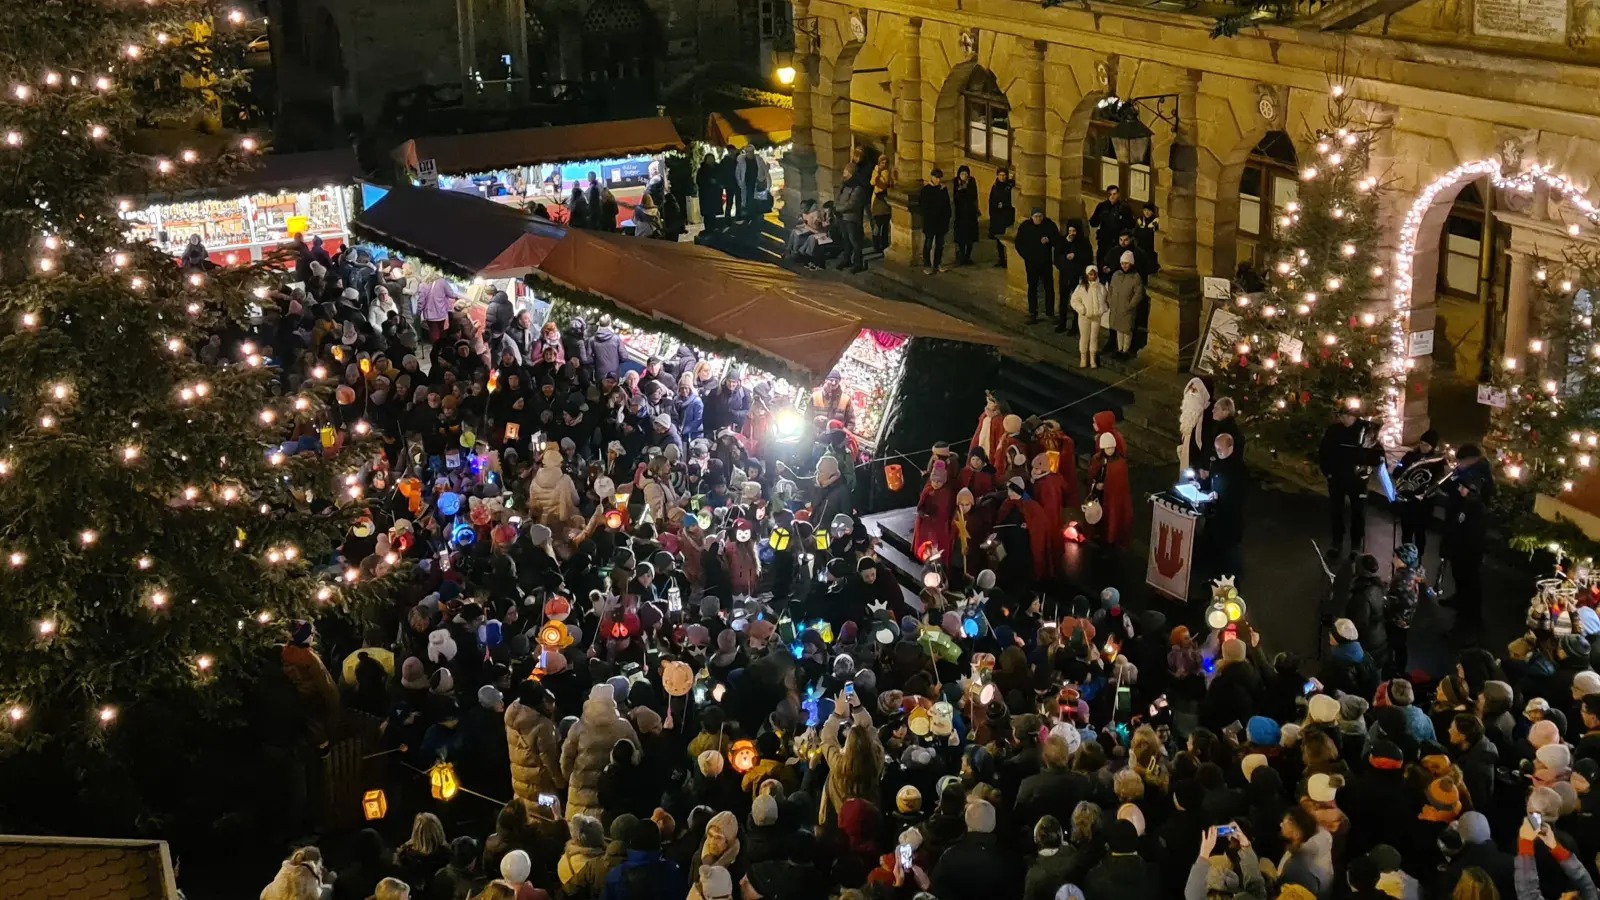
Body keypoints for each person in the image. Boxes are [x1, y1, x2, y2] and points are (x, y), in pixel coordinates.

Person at [1443, 442, 1494, 633]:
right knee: (1458, 570)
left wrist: (1468, 496)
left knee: (1469, 576)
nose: (1458, 464)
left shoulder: (1482, 476)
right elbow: (1451, 490)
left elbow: (1483, 503)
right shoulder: (1465, 473)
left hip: (1471, 536)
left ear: (1472, 460)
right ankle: (1459, 599)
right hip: (1459, 530)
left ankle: (1470, 616)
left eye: (1460, 462)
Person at [1318, 410, 1380, 562]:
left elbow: (1376, 454)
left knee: (1358, 513)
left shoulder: (1365, 430)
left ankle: (1356, 545)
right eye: (1342, 416)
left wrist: (1368, 468)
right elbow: (1324, 452)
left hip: (1357, 480)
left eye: (1347, 416)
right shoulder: (1334, 431)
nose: (1343, 419)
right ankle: (1336, 542)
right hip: (1337, 478)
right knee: (1336, 511)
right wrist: (1328, 472)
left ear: (1354, 417)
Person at [1200, 432, 1246, 579]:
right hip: (1216, 514)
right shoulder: (1217, 462)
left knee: (1229, 551)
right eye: (1216, 449)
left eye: (1221, 449)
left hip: (1229, 518)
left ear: (1230, 447)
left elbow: (1239, 496)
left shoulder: (1239, 470)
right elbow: (1212, 480)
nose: (1218, 452)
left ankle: (1231, 578)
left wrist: (1219, 497)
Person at [1013, 208, 1061, 325]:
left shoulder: (1049, 225)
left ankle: (1049, 312)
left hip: (1045, 261)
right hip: (1031, 262)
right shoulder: (1026, 227)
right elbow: (1019, 243)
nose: (1038, 219)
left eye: (1040, 217)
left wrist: (1049, 240)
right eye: (1036, 217)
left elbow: (1058, 239)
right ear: (1032, 217)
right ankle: (1032, 313)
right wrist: (1026, 255)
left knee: (1048, 287)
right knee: (1032, 287)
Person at [1106, 251, 1144, 357]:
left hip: (1127, 308)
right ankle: (1119, 349)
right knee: (1119, 329)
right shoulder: (1116, 275)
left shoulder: (1135, 277)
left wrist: (1130, 305)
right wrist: (1110, 300)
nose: (1124, 266)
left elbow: (1138, 293)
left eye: (1127, 263)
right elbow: (1111, 288)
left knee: (1126, 331)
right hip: (1116, 307)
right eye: (1123, 263)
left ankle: (1125, 350)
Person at [1088, 184, 1135, 272]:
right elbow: (1093, 222)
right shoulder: (1102, 207)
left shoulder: (1124, 208)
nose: (1112, 196)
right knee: (1102, 265)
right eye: (1110, 194)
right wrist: (1101, 216)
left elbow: (1131, 225)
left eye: (1114, 194)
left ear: (1118, 195)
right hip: (1104, 242)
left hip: (1118, 243)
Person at [1068, 266, 1107, 366]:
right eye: (1090, 274)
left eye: (1094, 274)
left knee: (1094, 338)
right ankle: (1083, 358)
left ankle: (1093, 359)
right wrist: (1082, 309)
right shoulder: (1081, 288)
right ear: (1087, 275)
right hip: (1084, 317)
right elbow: (1074, 300)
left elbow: (1105, 300)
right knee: (1084, 337)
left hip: (1096, 317)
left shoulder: (1101, 288)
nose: (1092, 276)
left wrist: (1102, 309)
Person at [833, 164, 868, 273]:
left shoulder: (858, 188)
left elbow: (851, 204)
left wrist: (838, 209)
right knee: (846, 240)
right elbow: (838, 197)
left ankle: (858, 263)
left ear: (851, 174)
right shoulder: (844, 185)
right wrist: (835, 207)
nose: (843, 174)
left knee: (854, 241)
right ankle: (846, 259)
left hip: (852, 219)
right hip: (842, 217)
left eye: (845, 172)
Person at [919, 169, 952, 275]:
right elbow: (923, 206)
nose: (938, 180)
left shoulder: (943, 189)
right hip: (930, 221)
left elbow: (947, 205)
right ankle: (927, 264)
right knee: (928, 243)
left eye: (939, 178)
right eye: (936, 177)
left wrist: (947, 216)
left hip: (941, 221)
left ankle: (937, 263)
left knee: (940, 244)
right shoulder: (926, 190)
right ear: (932, 177)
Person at [951, 165, 981, 266]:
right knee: (961, 238)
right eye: (962, 174)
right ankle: (961, 257)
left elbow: (973, 196)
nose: (964, 176)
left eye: (966, 174)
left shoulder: (971, 182)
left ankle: (967, 257)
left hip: (970, 214)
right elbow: (955, 198)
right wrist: (960, 190)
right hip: (960, 215)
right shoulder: (955, 182)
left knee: (970, 238)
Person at [988, 167, 1015, 267]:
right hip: (997, 216)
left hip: (1006, 216)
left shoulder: (1009, 186)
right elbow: (991, 200)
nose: (1002, 177)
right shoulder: (995, 186)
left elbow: (1013, 200)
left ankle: (1008, 259)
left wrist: (1004, 205)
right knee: (998, 238)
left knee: (1006, 237)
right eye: (1000, 175)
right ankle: (1001, 259)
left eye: (1004, 175)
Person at [869, 156, 895, 254]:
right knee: (877, 226)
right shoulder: (877, 172)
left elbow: (884, 185)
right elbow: (872, 182)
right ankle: (876, 246)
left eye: (885, 162)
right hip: (877, 203)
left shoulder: (888, 172)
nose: (883, 164)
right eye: (882, 162)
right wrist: (876, 172)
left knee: (884, 226)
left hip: (885, 202)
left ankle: (883, 244)